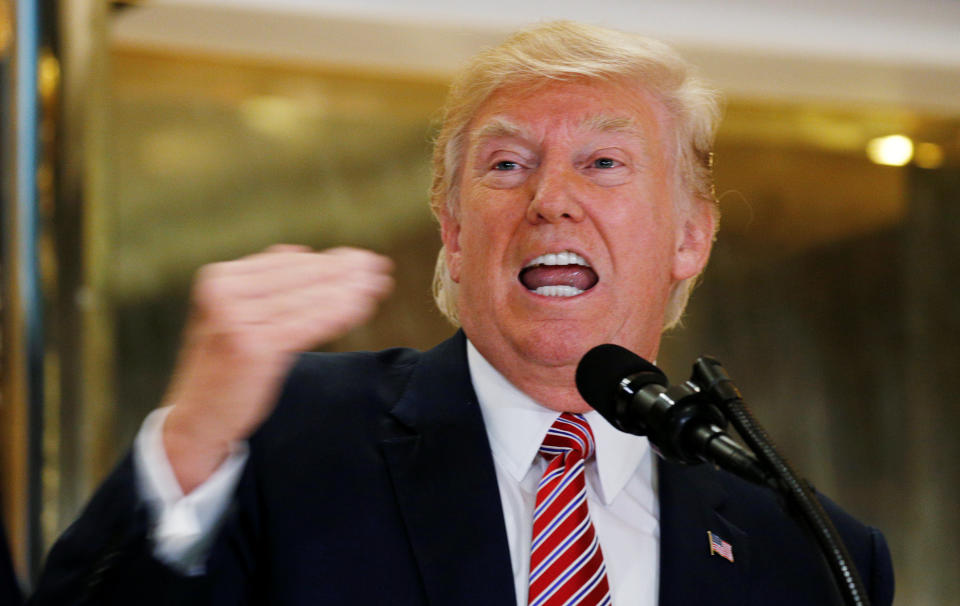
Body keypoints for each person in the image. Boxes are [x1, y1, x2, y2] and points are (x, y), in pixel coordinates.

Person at [30, 21, 893, 605]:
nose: (552, 200)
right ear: (450, 229)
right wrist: (189, 449)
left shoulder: (815, 554)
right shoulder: (287, 431)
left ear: (690, 237)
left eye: (602, 162)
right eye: (508, 165)